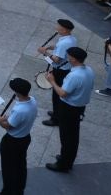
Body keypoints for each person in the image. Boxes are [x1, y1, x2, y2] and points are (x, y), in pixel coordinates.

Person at [44, 45, 93, 173]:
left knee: (67, 137)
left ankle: (64, 164)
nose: (67, 58)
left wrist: (52, 81)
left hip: (69, 108)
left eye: (69, 57)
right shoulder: (88, 70)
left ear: (74, 59)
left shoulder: (75, 76)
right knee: (72, 135)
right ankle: (66, 158)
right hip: (79, 107)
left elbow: (62, 93)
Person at [0, 77, 36, 195]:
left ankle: (7, 192)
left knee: (8, 168)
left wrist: (0, 121)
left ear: (17, 92)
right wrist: (10, 118)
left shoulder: (20, 110)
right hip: (25, 137)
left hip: (12, 142)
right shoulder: (33, 101)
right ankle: (19, 190)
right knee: (20, 165)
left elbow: (8, 126)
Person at [37, 18, 78, 122]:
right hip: (66, 69)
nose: (56, 28)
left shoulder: (64, 43)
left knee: (56, 95)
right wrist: (51, 47)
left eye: (58, 27)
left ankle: (56, 118)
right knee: (57, 94)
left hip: (61, 71)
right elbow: (60, 48)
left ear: (64, 30)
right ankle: (57, 112)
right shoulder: (71, 39)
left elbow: (56, 60)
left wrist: (44, 52)